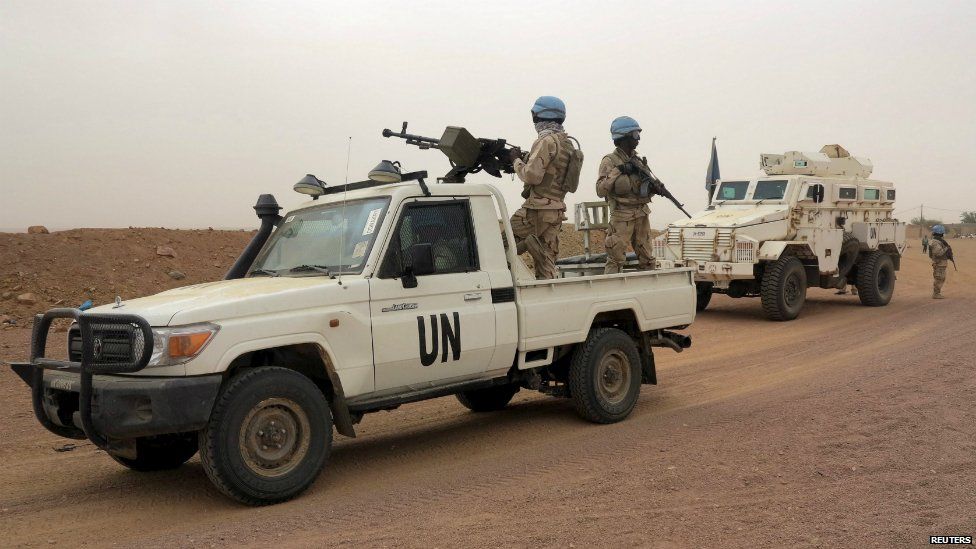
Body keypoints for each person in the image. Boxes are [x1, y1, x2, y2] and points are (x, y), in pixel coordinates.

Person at [507, 95, 577, 279]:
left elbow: (531, 175)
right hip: (555, 211)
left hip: (536, 210)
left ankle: (529, 243)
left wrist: (515, 160)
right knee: (546, 266)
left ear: (538, 116)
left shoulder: (546, 141)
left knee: (501, 246)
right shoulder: (567, 144)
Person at [595, 116, 655, 274]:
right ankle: (610, 292)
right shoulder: (610, 161)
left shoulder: (638, 161)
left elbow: (645, 186)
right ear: (624, 137)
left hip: (641, 213)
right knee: (615, 260)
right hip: (622, 216)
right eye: (635, 135)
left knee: (648, 259)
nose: (639, 139)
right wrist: (619, 170)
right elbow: (600, 190)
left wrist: (655, 188)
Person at [928, 225, 951, 299]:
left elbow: (931, 255)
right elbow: (938, 253)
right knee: (939, 278)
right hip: (939, 263)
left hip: (940, 263)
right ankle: (936, 294)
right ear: (940, 233)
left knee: (940, 278)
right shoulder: (936, 242)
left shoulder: (936, 241)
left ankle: (937, 293)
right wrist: (946, 248)